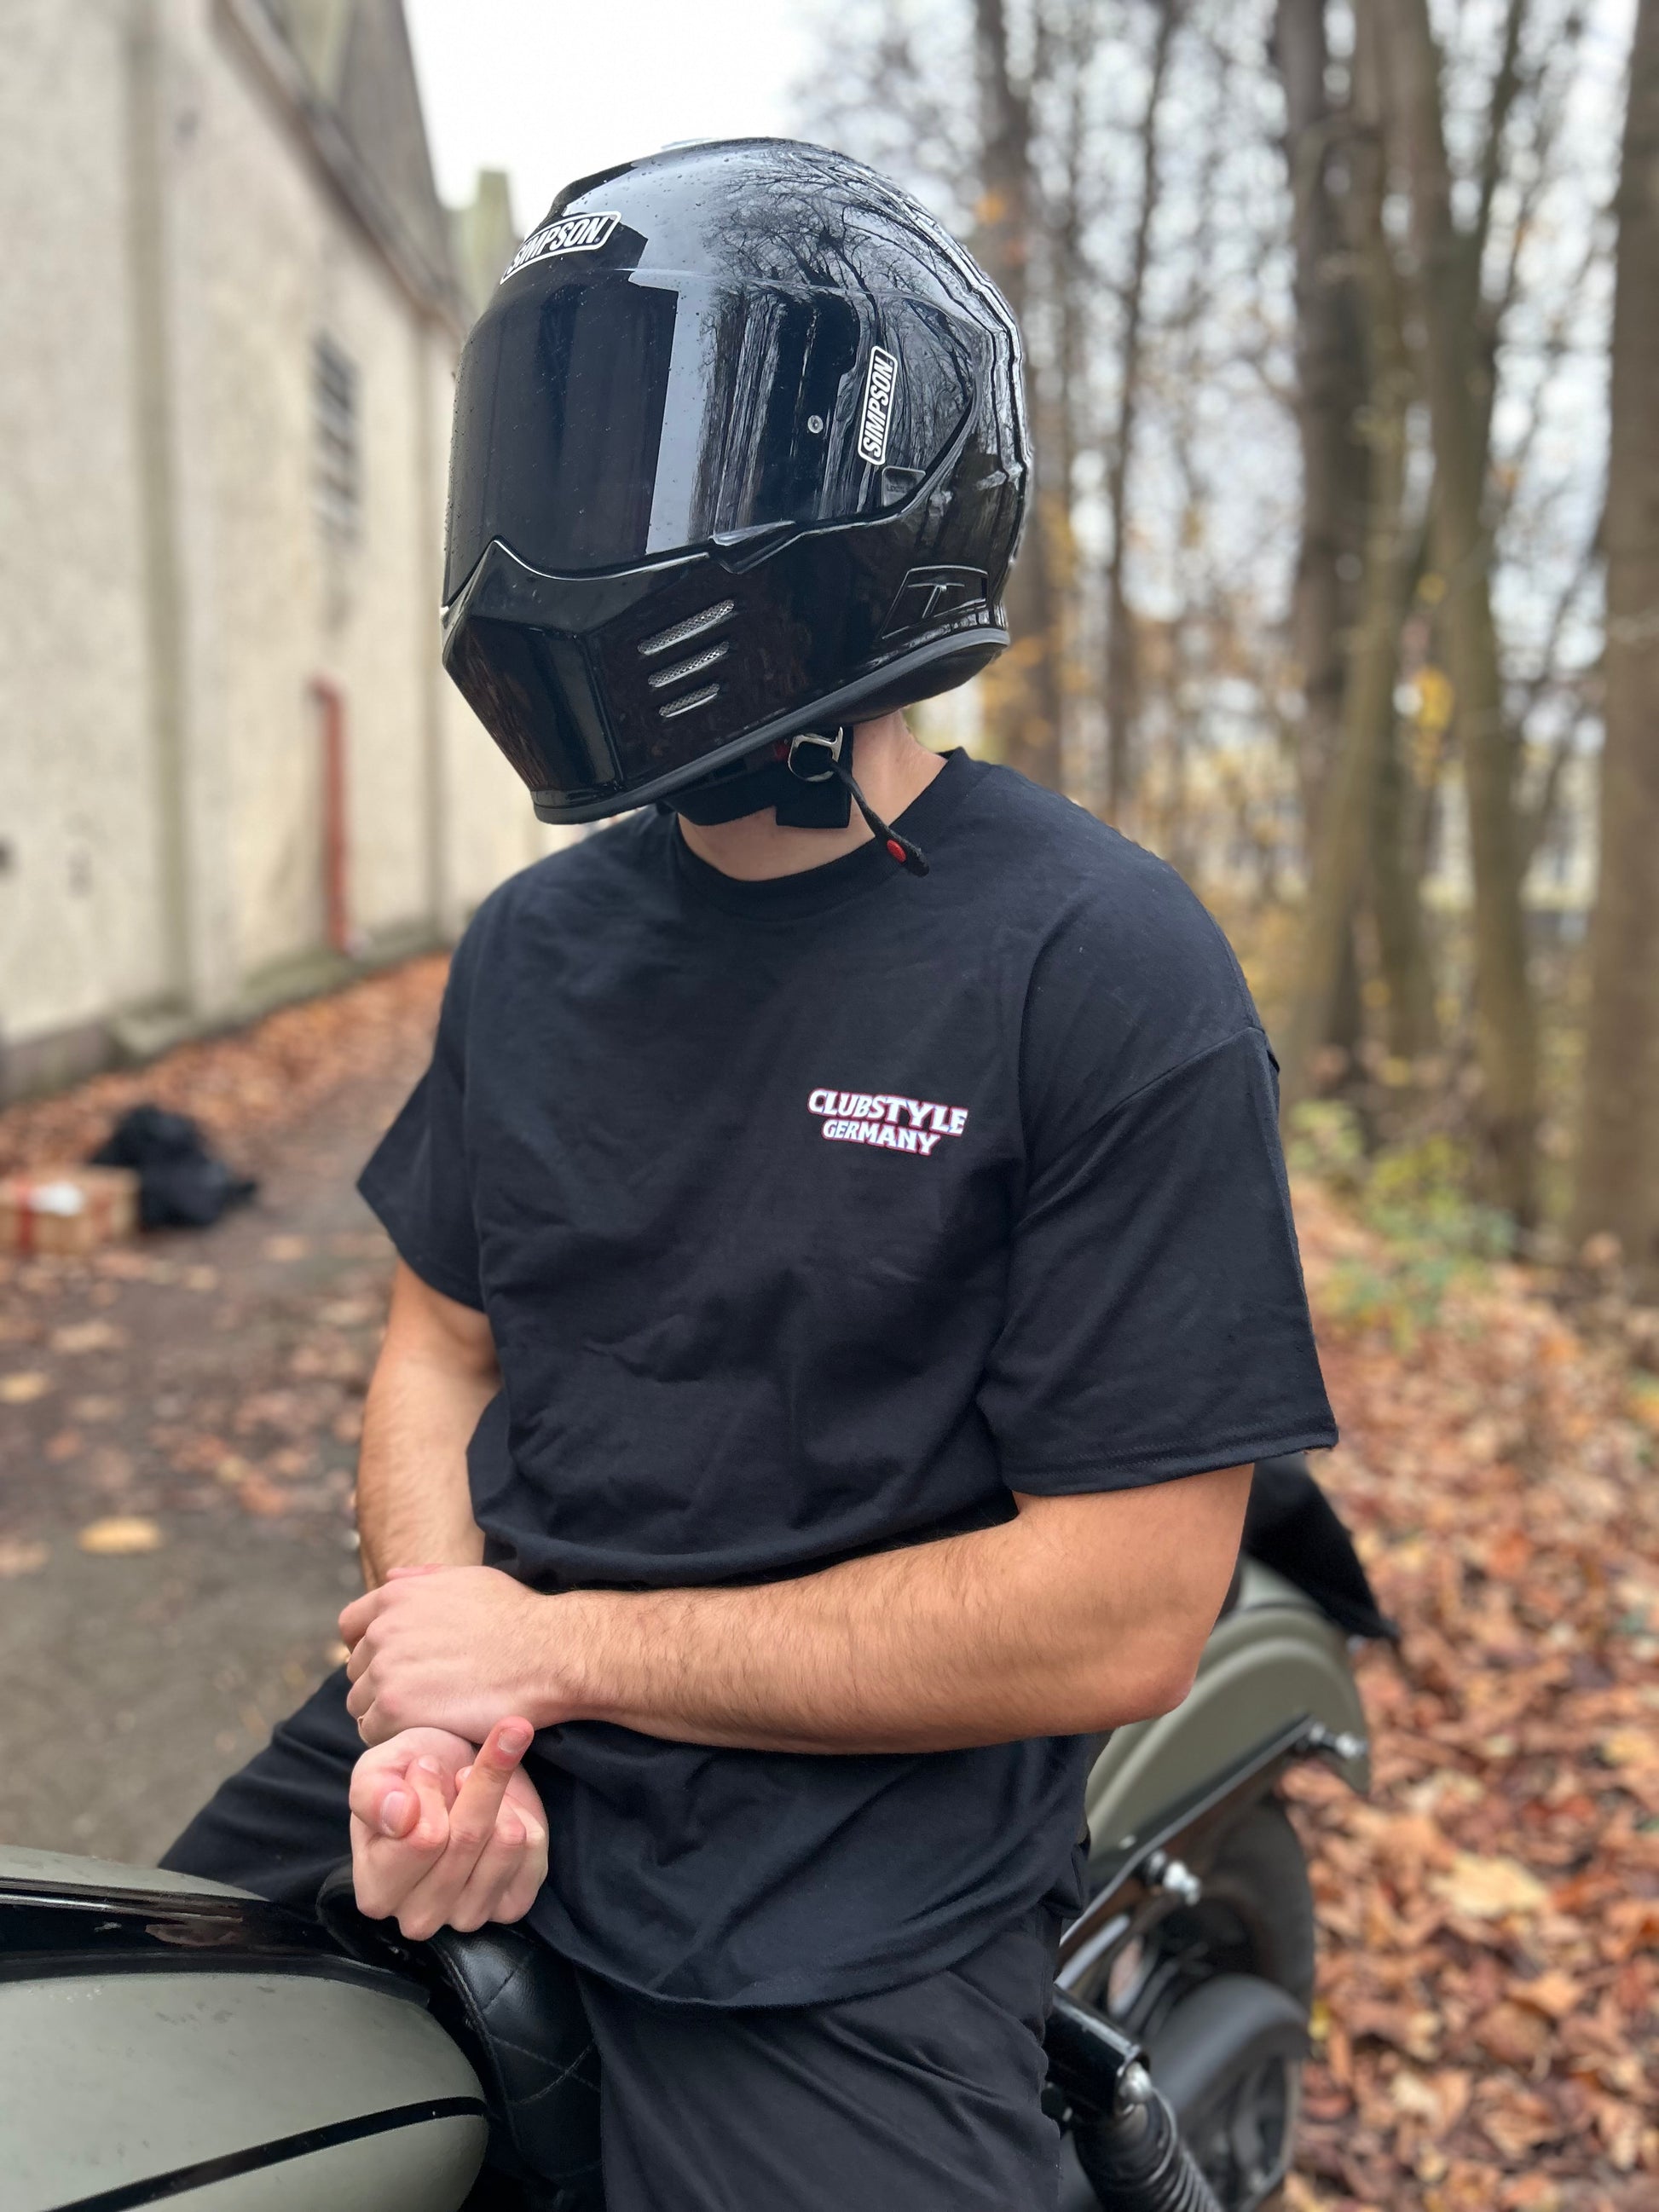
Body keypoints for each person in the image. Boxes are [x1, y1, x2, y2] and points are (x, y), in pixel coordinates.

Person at [162, 139, 1336, 2209]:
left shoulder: (1101, 961)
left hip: (844, 1872)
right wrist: (434, 1685)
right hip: (481, 1716)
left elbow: (1120, 1607)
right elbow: (440, 1345)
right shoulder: (533, 943)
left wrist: (556, 1655)